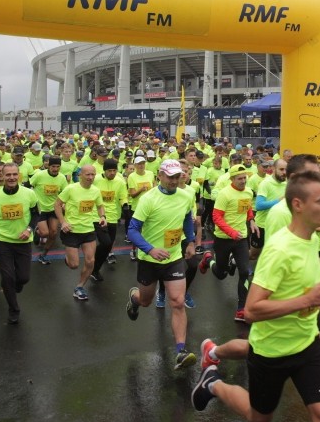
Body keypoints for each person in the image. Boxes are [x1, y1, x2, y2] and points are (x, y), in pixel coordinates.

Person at [190, 171, 320, 422]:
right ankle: (213, 383)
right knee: (259, 418)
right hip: (271, 350)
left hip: (307, 344)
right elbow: (251, 311)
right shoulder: (280, 249)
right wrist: (309, 300)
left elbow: (297, 284)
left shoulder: (309, 239)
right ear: (298, 205)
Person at [125, 159, 198, 370]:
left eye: (178, 176)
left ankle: (181, 351)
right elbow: (131, 230)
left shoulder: (186, 195)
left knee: (177, 301)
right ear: (160, 175)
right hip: (149, 260)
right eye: (170, 176)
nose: (175, 180)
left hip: (173, 257)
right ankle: (134, 299)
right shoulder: (149, 199)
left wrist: (190, 241)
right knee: (146, 301)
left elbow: (186, 219)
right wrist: (150, 249)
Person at [0, 162, 40, 324]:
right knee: (7, 277)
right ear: (2, 176)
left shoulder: (29, 194)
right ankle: (14, 309)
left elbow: (35, 214)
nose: (11, 178)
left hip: (23, 241)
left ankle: (16, 285)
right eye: (8, 175)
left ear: (19, 175)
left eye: (14, 174)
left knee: (23, 278)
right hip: (3, 241)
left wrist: (29, 229)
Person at [199, 164, 258, 322]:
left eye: (245, 178)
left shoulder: (248, 192)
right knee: (221, 273)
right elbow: (216, 217)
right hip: (224, 238)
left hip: (241, 238)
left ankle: (241, 309)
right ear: (232, 179)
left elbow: (248, 208)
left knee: (245, 272)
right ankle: (208, 260)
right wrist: (231, 233)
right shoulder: (224, 194)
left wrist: (251, 220)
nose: (243, 181)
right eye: (239, 178)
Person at [54, 165, 107, 301]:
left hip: (88, 230)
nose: (90, 177)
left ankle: (80, 287)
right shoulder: (71, 189)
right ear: (80, 175)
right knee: (74, 265)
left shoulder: (95, 191)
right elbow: (57, 204)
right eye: (87, 174)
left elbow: (100, 206)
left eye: (93, 175)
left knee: (90, 261)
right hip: (71, 230)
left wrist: (102, 217)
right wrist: (63, 222)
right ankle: (68, 260)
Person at [92, 158, 128, 281]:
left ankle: (95, 269)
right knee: (106, 243)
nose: (112, 173)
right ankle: (93, 264)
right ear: (104, 170)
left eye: (114, 170)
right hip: (98, 216)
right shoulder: (95, 179)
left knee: (108, 246)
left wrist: (125, 205)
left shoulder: (120, 182)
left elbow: (123, 196)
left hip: (113, 216)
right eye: (109, 170)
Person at [29, 156, 68, 264]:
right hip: (40, 208)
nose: (55, 169)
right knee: (45, 233)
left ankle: (44, 255)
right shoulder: (40, 175)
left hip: (53, 208)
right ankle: (38, 232)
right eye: (53, 166)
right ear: (48, 166)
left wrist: (64, 204)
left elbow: (64, 193)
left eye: (58, 166)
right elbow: (29, 185)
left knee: (54, 233)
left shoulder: (62, 178)